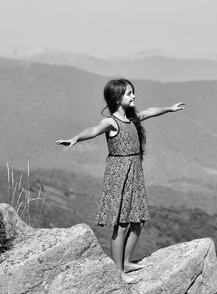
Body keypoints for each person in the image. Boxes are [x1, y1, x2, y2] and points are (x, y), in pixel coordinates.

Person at [56, 78, 185, 283]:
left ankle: (126, 263)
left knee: (138, 220)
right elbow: (92, 130)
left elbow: (150, 111)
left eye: (133, 92)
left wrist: (169, 109)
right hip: (119, 174)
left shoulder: (132, 119)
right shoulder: (111, 122)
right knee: (121, 224)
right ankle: (119, 272)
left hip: (134, 171)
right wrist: (75, 139)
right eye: (128, 94)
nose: (133, 96)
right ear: (117, 98)